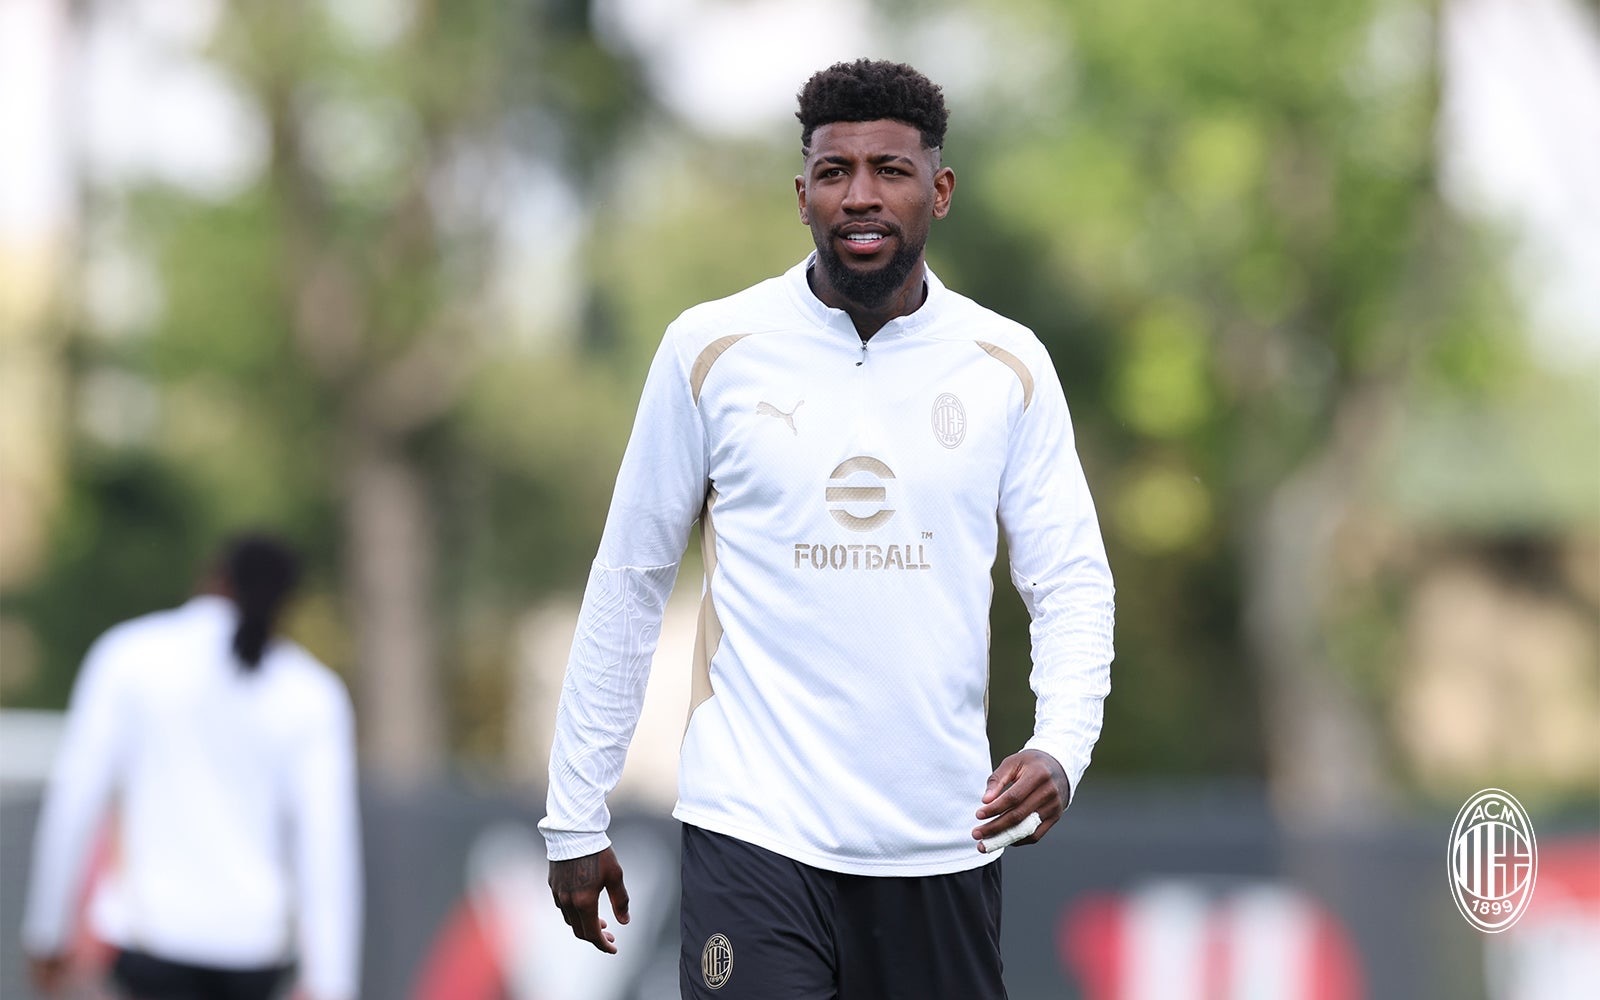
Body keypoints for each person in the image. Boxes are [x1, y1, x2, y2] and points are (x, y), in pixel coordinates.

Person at [540, 59, 1114, 999]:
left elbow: (1071, 581)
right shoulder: (710, 348)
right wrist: (575, 811)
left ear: (940, 190)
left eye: (891, 170)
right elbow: (630, 579)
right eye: (835, 171)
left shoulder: (1006, 363)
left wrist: (1062, 744)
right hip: (753, 832)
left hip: (941, 840)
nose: (861, 196)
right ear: (802, 193)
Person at [22, 533, 362, 1000]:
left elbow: (75, 802)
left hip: (148, 947)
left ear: (214, 577)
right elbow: (326, 846)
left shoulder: (131, 657)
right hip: (255, 955)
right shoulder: (311, 693)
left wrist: (48, 933)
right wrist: (332, 982)